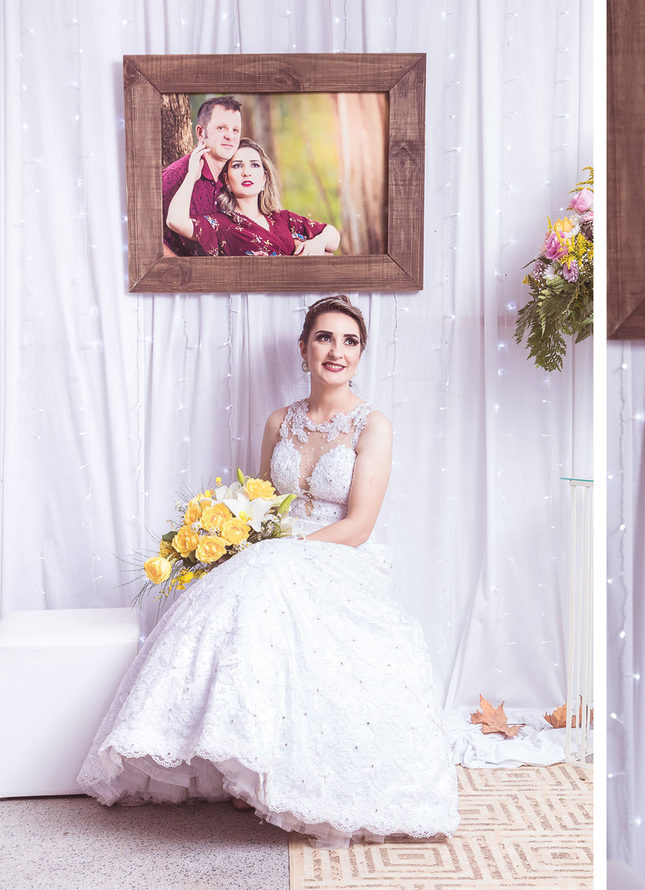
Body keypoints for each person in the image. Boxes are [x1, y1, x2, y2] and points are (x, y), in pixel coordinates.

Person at [78, 295, 459, 847]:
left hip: (337, 558)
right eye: (325, 338)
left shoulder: (373, 426)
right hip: (270, 556)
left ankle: (292, 773)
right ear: (303, 348)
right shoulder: (280, 421)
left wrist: (280, 554)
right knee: (240, 598)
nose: (337, 351)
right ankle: (246, 763)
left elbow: (359, 526)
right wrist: (239, 539)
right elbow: (262, 503)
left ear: (361, 355)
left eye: (349, 341)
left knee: (266, 582)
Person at [166, 138, 340, 257]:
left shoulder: (282, 218)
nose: (246, 172)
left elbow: (332, 236)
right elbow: (176, 221)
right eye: (237, 165)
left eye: (254, 165)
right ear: (227, 180)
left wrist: (318, 242)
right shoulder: (220, 224)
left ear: (264, 178)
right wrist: (192, 175)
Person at [161, 96, 243, 257]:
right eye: (221, 128)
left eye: (235, 130)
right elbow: (142, 233)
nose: (230, 136)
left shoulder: (236, 177)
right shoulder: (174, 177)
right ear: (200, 132)